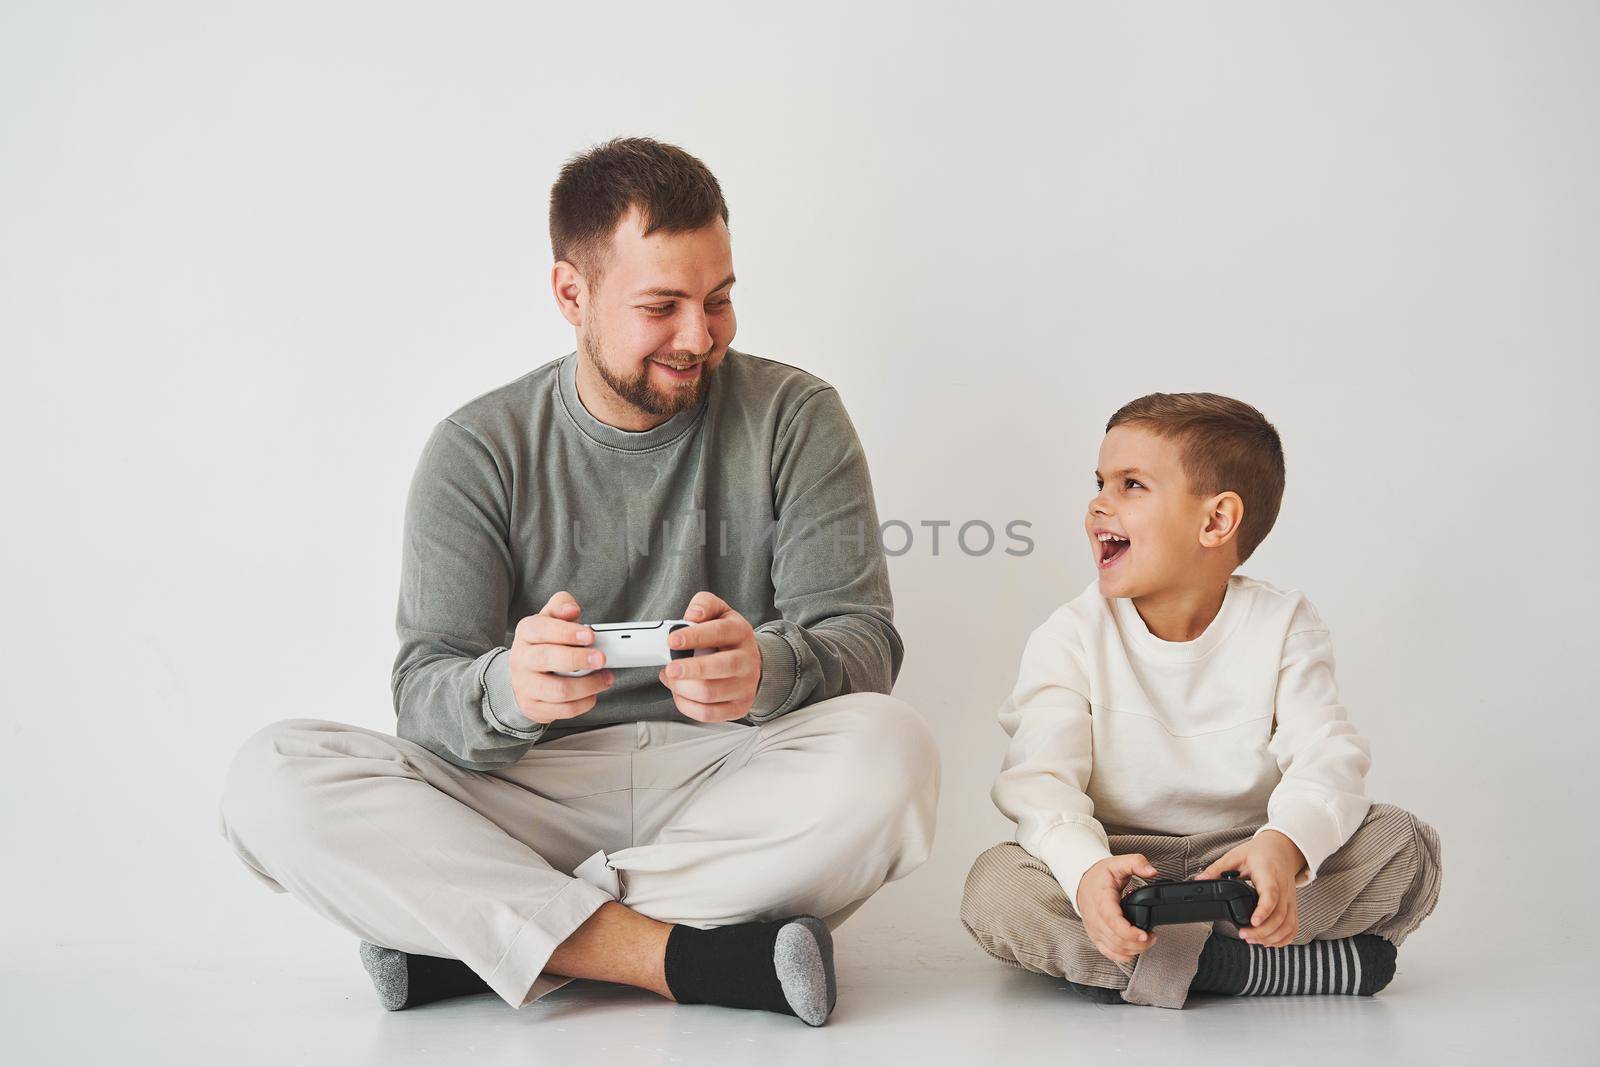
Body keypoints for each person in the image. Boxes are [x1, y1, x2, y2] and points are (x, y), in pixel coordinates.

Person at [219, 137, 939, 1027]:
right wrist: (508, 689)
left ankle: (496, 935)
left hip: (723, 774)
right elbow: (423, 699)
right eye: (662, 306)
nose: (700, 336)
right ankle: (684, 957)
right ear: (572, 294)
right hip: (527, 786)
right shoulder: (477, 448)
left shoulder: (796, 418)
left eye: (719, 301)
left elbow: (862, 642)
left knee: (894, 753)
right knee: (271, 780)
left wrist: (768, 671)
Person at [960, 392, 1441, 1009]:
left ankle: (1169, 961)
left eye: (1132, 484)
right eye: (1100, 481)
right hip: (1123, 864)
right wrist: (1084, 874)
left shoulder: (1284, 622)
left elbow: (1325, 755)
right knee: (996, 887)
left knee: (1402, 843)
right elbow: (1041, 783)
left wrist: (1285, 847)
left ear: (1216, 521)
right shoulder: (1071, 635)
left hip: (1243, 856)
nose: (1098, 503)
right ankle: (1243, 968)